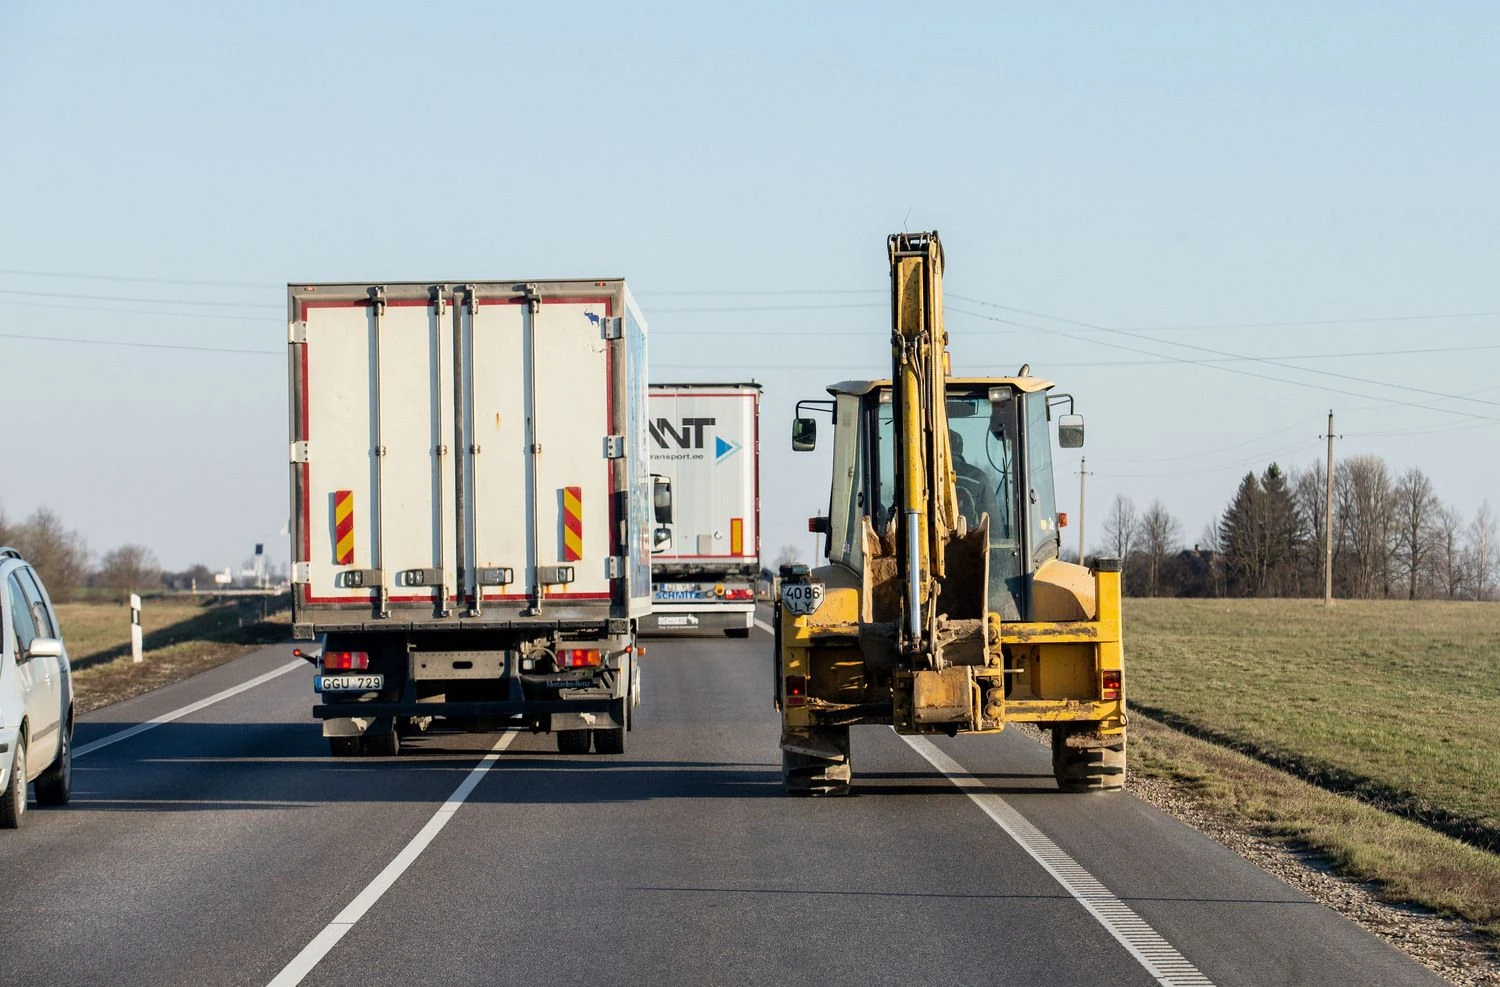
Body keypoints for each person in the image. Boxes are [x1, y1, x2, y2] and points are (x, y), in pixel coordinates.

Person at [950, 429, 1003, 533]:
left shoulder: (922, 478)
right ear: (960, 450)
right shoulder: (977, 477)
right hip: (968, 546)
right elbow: (994, 527)